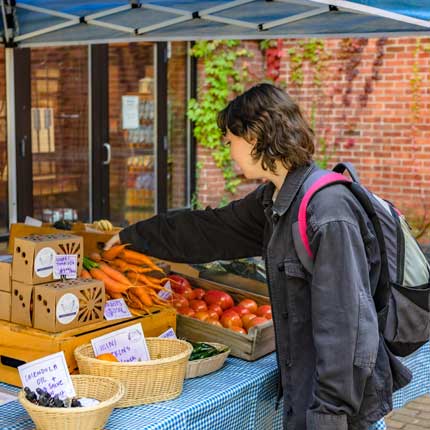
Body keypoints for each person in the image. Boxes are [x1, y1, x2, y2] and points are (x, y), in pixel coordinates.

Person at [105, 83, 410, 430]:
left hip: (337, 410)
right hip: (308, 393)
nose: (228, 148)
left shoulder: (327, 212)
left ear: (253, 137)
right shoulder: (275, 199)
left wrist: (328, 416)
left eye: (230, 138)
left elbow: (347, 327)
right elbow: (210, 229)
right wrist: (133, 237)